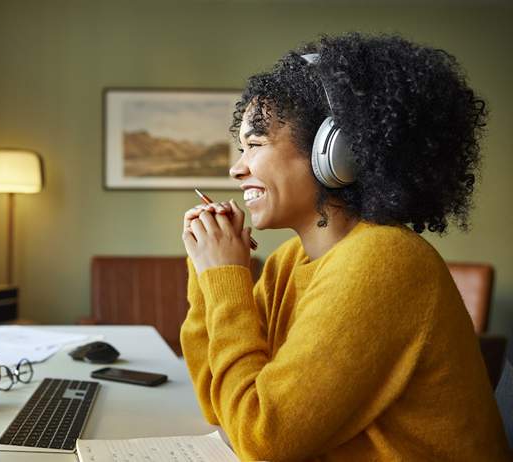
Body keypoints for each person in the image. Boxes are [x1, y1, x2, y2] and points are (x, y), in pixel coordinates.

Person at [180, 33, 510, 460]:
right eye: (241, 148)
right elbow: (219, 403)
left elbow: (263, 437)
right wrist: (208, 275)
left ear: (337, 153)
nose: (236, 168)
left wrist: (225, 278)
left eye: (256, 146)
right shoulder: (290, 261)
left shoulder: (384, 261)